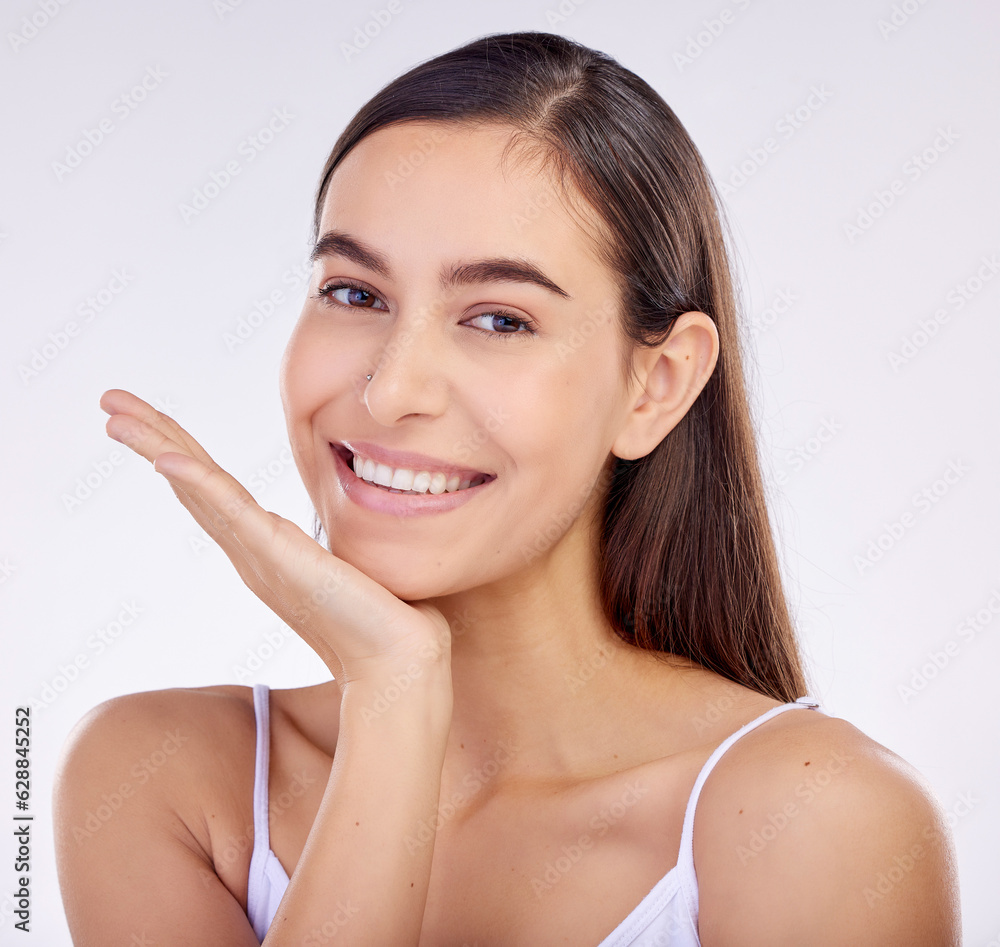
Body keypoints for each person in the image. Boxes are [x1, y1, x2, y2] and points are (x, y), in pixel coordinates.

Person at [53, 30, 961, 946]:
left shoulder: (816, 822)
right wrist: (394, 700)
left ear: (657, 385)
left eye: (499, 317)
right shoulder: (161, 776)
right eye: (356, 293)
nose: (392, 390)